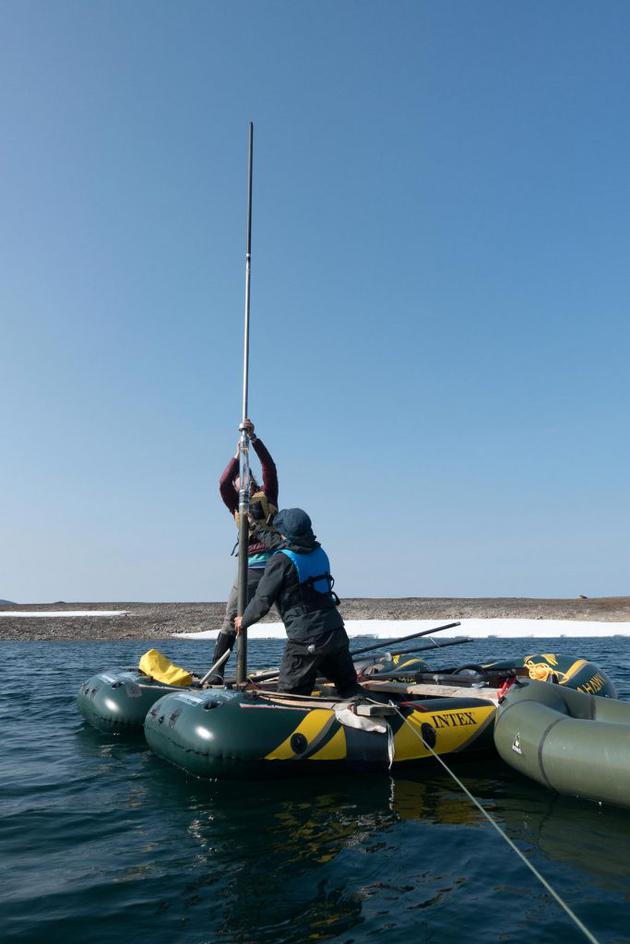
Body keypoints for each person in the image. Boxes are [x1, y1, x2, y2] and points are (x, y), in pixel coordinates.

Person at [234, 508, 360, 697]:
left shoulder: (280, 561)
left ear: (285, 533)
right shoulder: (318, 551)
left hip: (307, 641)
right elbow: (280, 544)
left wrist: (243, 621)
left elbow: (262, 599)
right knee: (349, 687)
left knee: (289, 695)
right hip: (335, 633)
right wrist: (254, 525)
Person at [209, 418, 281, 683]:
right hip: (248, 568)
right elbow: (222, 482)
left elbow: (269, 467)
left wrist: (255, 439)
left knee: (296, 614)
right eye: (237, 481)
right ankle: (217, 673)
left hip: (277, 565)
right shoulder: (234, 505)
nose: (240, 483)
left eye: (244, 478)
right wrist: (237, 453)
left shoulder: (268, 495)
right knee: (231, 619)